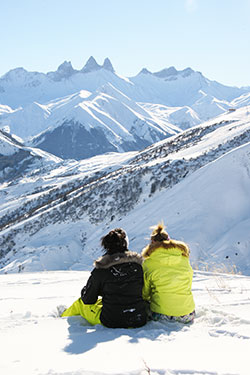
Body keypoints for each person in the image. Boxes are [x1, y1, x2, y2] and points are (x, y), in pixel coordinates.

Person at [61, 228, 147, 328]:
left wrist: (86, 290)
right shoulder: (138, 267)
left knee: (80, 303)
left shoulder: (101, 270)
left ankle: (61, 319)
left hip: (111, 321)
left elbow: (88, 299)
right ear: (126, 244)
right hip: (139, 318)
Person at [141, 222, 195, 323]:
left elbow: (145, 293)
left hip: (161, 314)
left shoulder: (148, 263)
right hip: (188, 314)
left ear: (152, 243)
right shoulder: (184, 259)